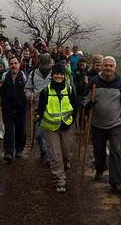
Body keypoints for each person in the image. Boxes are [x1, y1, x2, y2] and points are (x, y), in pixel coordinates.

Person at [82, 56, 121, 194]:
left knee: (116, 151)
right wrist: (87, 105)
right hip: (97, 123)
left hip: (115, 124)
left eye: (111, 66)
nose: (108, 68)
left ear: (115, 68)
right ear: (102, 66)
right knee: (99, 151)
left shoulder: (120, 83)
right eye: (106, 65)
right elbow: (84, 98)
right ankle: (100, 169)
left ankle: (117, 182)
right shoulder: (94, 82)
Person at [36, 63, 78, 193]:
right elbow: (40, 109)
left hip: (66, 127)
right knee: (55, 155)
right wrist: (37, 116)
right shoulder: (46, 92)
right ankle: (60, 181)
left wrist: (69, 123)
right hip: (50, 129)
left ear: (64, 75)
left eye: (61, 74)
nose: (59, 76)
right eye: (56, 74)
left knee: (65, 155)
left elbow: (75, 109)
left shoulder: (70, 90)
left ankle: (63, 169)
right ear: (52, 75)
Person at [0, 56, 28, 163]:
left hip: (21, 109)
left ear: (19, 65)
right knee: (8, 130)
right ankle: (8, 152)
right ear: (9, 66)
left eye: (15, 63)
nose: (13, 65)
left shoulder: (23, 76)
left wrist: (30, 98)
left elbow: (28, 89)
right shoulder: (4, 76)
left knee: (20, 130)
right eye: (11, 64)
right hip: (7, 109)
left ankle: (19, 149)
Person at [25, 54, 53, 164]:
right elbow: (27, 88)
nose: (46, 68)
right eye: (44, 65)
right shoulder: (33, 74)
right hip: (37, 107)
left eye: (48, 65)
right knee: (39, 133)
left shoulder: (54, 74)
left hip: (51, 108)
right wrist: (29, 95)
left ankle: (48, 155)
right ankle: (44, 150)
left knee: (50, 133)